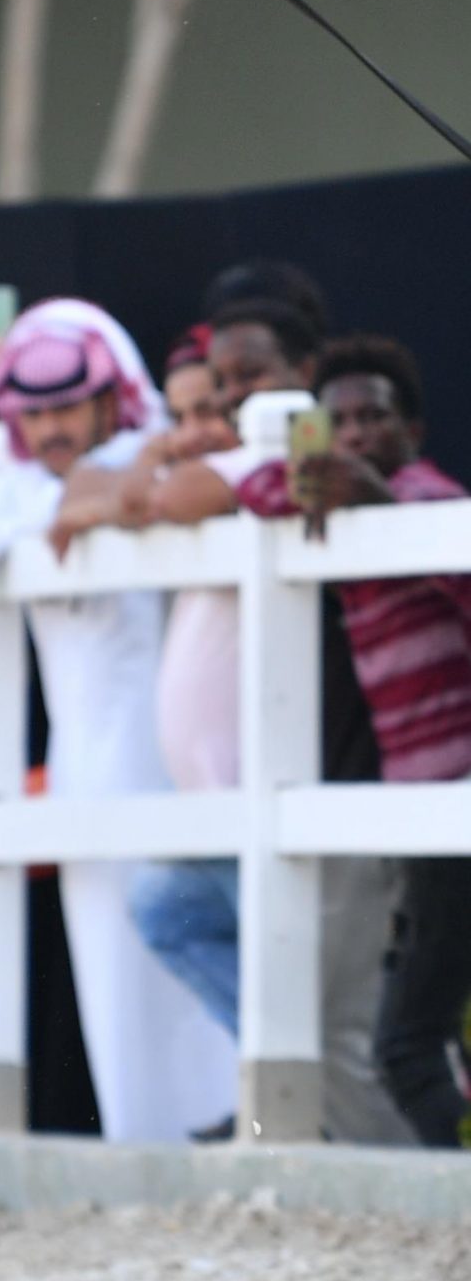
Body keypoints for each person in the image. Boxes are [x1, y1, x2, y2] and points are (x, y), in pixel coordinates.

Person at [0, 297, 235, 1141]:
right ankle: (154, 1164)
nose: (50, 427)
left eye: (68, 405)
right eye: (31, 412)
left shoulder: (150, 460)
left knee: (200, 982)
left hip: (189, 768)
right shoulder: (27, 492)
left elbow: (130, 477)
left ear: (112, 398)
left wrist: (50, 502)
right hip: (89, 778)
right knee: (117, 999)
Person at [98, 293, 405, 1143]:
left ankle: (382, 1164)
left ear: (302, 374)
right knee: (168, 909)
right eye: (218, 383)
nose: (232, 399)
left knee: (333, 1036)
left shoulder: (285, 462)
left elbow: (153, 502)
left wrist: (162, 468)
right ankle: (279, 1097)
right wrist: (156, 457)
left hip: (309, 792)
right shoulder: (246, 467)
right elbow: (108, 497)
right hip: (232, 807)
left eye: (246, 378)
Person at [258, 334, 471, 1147]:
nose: (353, 435)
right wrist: (305, 477)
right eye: (335, 422)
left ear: (410, 430)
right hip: (420, 820)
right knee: (426, 1036)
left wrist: (382, 502)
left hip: (452, 809)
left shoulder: (425, 498)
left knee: (407, 1045)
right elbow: (255, 489)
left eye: (371, 418)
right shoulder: (337, 505)